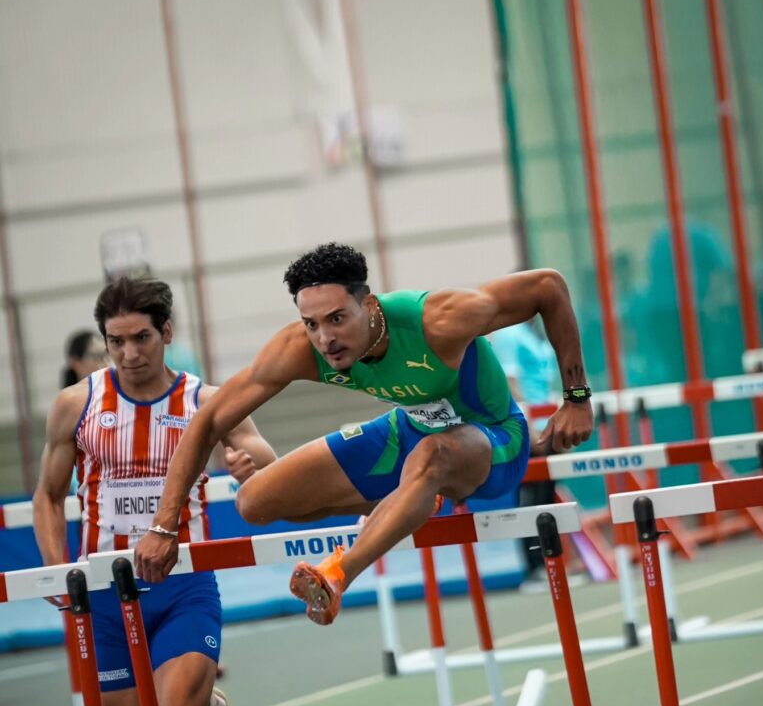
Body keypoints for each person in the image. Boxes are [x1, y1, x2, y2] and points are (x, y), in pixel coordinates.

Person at [134, 242, 594, 626]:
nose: (325, 339)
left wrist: (576, 397)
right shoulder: (300, 349)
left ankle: (338, 574)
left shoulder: (439, 320)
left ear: (369, 306)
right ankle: (412, 498)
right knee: (254, 501)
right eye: (311, 323)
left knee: (432, 455)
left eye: (337, 318)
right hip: (409, 430)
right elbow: (207, 421)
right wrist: (163, 525)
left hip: (493, 440)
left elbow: (547, 286)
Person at [33, 277, 276, 706]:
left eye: (141, 337)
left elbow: (267, 463)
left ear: (166, 333)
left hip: (184, 587)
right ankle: (195, 697)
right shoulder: (77, 407)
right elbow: (48, 498)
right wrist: (62, 579)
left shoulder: (207, 400)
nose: (130, 352)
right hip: (106, 598)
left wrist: (243, 461)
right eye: (116, 341)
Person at [489, 318, 559, 591]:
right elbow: (508, 383)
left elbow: (545, 384)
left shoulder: (538, 334)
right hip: (527, 430)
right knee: (529, 499)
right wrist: (527, 428)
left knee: (547, 499)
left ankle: (552, 563)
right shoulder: (508, 334)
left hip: (547, 426)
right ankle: (533, 569)